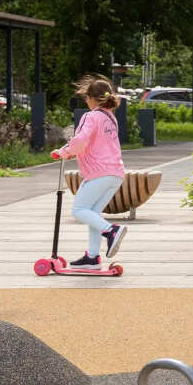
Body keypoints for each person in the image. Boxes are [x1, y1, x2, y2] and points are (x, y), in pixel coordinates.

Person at [50, 75, 129, 268]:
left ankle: (111, 231)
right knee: (93, 213)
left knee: (79, 210)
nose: (86, 101)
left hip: (99, 173)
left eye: (86, 97)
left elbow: (80, 140)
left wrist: (64, 152)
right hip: (115, 173)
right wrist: (70, 152)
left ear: (93, 98)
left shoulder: (91, 116)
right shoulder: (110, 118)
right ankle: (92, 257)